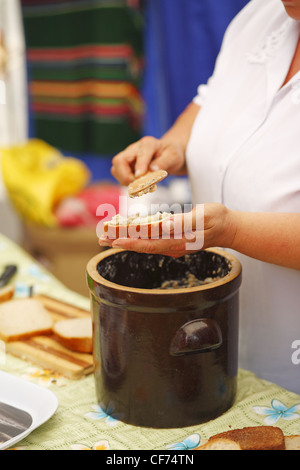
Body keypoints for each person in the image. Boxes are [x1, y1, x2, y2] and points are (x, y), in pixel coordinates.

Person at [99, 0, 300, 395]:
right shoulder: (262, 15)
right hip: (225, 344)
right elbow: (212, 100)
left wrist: (232, 230)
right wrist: (172, 148)